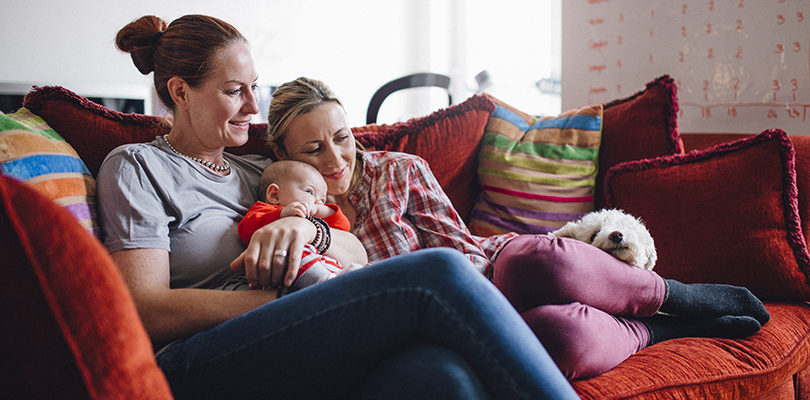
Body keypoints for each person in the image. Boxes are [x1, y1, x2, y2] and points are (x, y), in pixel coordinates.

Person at [98, 14, 581, 399]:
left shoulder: (258, 173)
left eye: (253, 87)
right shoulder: (137, 167)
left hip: (287, 333)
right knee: (437, 273)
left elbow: (356, 251)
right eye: (233, 92)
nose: (253, 107)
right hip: (194, 360)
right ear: (180, 92)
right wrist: (281, 301)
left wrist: (312, 234)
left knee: (441, 377)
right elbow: (146, 308)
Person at [261, 76, 771, 380]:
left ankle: (678, 294)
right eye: (313, 150)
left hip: (484, 272)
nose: (336, 159)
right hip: (437, 325)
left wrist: (486, 299)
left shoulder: (399, 170)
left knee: (538, 260)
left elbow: (459, 249)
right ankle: (660, 329)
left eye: (344, 138)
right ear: (282, 156)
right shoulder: (288, 213)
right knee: (561, 338)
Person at [237, 159, 363, 291]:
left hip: (323, 266)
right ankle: (325, 281)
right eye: (309, 192)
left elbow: (344, 228)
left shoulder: (314, 217)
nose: (317, 202)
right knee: (294, 251)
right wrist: (281, 215)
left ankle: (344, 277)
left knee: (331, 260)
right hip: (281, 271)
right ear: (274, 195)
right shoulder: (263, 210)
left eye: (322, 199)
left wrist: (327, 210)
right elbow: (246, 231)